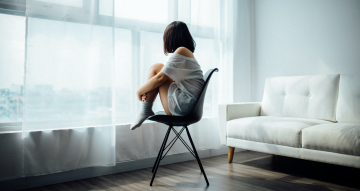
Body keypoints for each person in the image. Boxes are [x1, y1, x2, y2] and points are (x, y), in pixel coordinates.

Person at [130, 21, 205, 130]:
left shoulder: (182, 51)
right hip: (189, 105)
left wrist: (139, 91)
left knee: (156, 69)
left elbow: (160, 78)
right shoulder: (186, 53)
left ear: (171, 38)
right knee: (158, 68)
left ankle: (145, 109)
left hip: (184, 107)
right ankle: (145, 109)